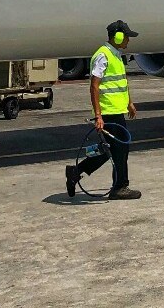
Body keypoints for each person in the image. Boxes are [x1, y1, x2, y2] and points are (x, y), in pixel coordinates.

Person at [66, 21, 141, 199]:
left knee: (111, 150)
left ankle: (76, 172)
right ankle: (119, 188)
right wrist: (98, 115)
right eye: (127, 36)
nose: (129, 40)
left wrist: (129, 102)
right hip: (109, 112)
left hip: (117, 110)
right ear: (118, 37)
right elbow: (94, 86)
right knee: (119, 150)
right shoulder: (103, 55)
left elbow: (121, 82)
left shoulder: (116, 55)